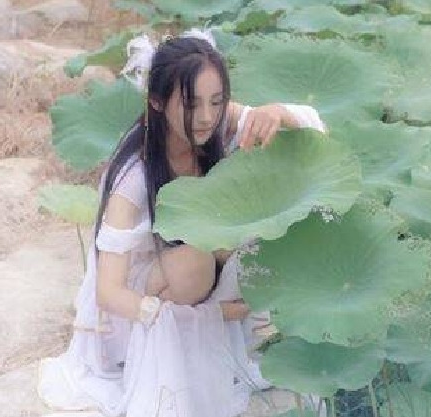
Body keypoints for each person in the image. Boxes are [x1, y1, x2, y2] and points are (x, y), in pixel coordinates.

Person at [38, 29, 326, 417]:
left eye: (217, 101)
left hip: (200, 279)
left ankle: (236, 331)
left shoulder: (215, 121)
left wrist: (278, 112)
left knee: (263, 221)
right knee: (198, 261)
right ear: (157, 102)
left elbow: (316, 140)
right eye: (191, 105)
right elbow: (109, 293)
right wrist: (207, 318)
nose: (207, 116)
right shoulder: (135, 176)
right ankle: (206, 334)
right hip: (139, 310)